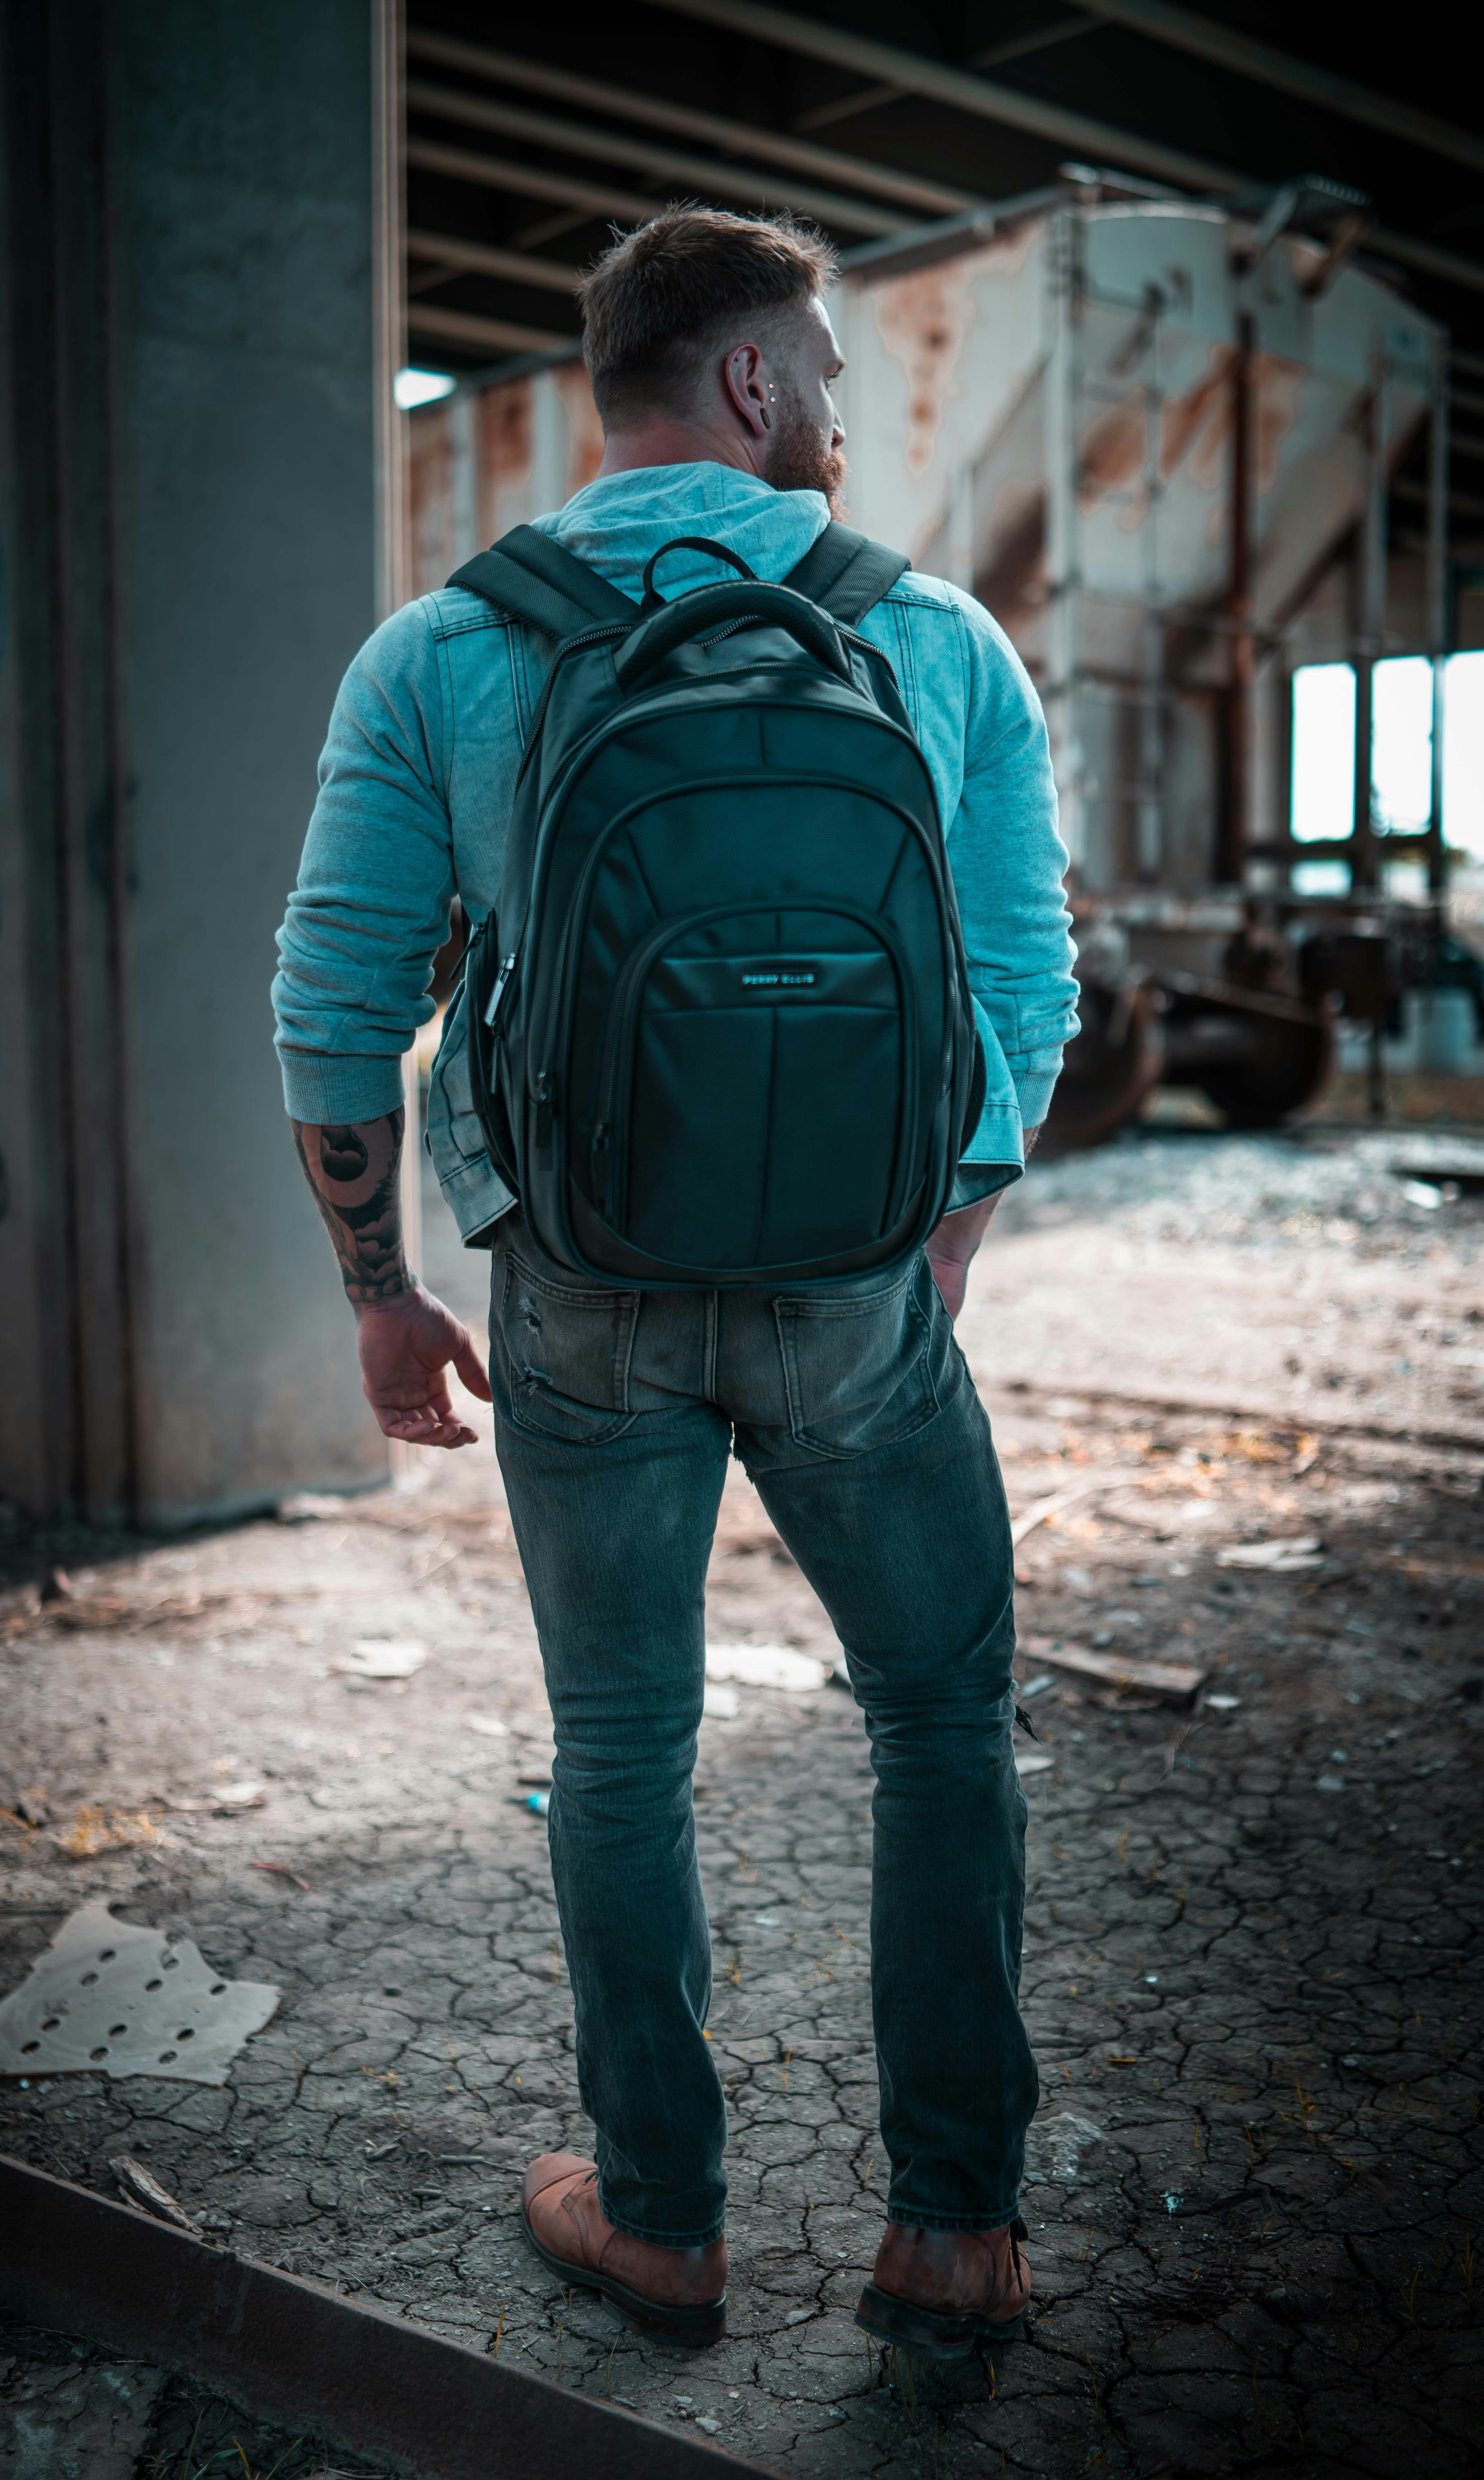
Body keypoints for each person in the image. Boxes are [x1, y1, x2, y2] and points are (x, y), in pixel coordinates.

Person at [273, 206, 1078, 2358]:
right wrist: (935, 1239)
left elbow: (336, 1009)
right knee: (939, 1728)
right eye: (822, 368)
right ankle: (952, 2234)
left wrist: (378, 1289)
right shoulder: (932, 638)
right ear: (746, 379)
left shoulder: (443, 649)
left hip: (580, 1290)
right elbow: (1020, 987)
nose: (836, 406)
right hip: (857, 1296)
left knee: (622, 1749)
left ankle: (661, 2225)